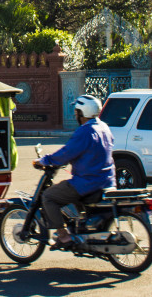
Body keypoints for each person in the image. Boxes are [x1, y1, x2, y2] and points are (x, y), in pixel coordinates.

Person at [34, 95, 115, 248]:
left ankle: (63, 236)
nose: (75, 115)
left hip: (88, 183)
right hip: (107, 180)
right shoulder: (104, 127)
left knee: (49, 196)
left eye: (76, 112)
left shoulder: (85, 131)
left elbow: (66, 153)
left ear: (81, 113)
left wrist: (45, 160)